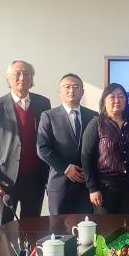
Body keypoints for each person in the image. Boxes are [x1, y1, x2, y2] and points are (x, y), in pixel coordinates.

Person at [0, 60, 51, 227]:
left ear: (32, 77)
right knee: (2, 228)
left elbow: (48, 138)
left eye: (26, 73)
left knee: (32, 226)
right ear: (8, 78)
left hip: (35, 178)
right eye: (17, 73)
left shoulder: (43, 103)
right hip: (4, 179)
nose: (22, 77)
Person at [37, 74, 98, 215]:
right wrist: (65, 168)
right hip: (60, 184)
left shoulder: (94, 116)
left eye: (76, 87)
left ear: (82, 92)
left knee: (87, 225)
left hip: (86, 185)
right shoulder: (48, 116)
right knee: (59, 227)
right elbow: (42, 148)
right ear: (60, 91)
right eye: (67, 87)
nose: (71, 90)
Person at [81, 83, 129, 214]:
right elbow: (86, 157)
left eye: (121, 96)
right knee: (106, 225)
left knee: (126, 223)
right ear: (104, 100)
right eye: (112, 97)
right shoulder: (96, 124)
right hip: (104, 187)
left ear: (126, 100)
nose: (117, 100)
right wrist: (92, 188)